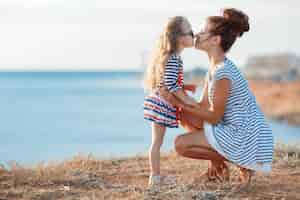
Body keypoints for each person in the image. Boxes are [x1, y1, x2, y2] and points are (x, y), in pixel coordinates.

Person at [161, 8, 274, 184]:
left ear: (215, 40)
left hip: (248, 138)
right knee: (184, 115)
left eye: (203, 31)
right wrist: (178, 97)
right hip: (236, 130)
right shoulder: (215, 67)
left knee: (180, 144)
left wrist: (177, 101)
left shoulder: (223, 73)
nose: (197, 34)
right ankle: (218, 169)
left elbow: (214, 117)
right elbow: (203, 107)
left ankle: (245, 165)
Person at [143, 16, 198, 186]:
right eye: (191, 32)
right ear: (180, 38)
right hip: (162, 103)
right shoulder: (174, 58)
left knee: (156, 142)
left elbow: (169, 81)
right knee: (157, 142)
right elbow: (172, 86)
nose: (193, 35)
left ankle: (156, 176)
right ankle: (155, 177)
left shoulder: (168, 56)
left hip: (157, 100)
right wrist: (188, 101)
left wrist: (185, 87)